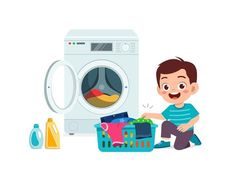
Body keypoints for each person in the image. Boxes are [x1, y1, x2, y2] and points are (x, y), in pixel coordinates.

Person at [142, 57, 201, 150]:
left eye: (181, 85)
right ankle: (165, 142)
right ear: (160, 90)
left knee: (178, 147)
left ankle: (191, 138)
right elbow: (162, 116)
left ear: (193, 88)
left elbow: (196, 117)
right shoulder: (170, 108)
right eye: (166, 87)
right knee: (166, 124)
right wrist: (149, 115)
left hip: (187, 131)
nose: (173, 90)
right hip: (177, 130)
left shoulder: (189, 107)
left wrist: (187, 125)